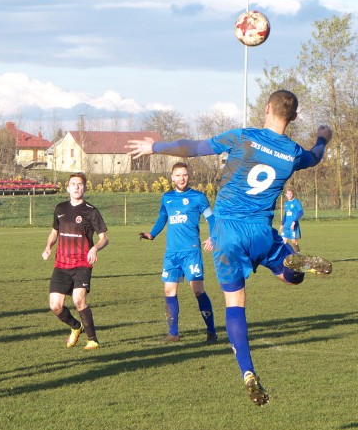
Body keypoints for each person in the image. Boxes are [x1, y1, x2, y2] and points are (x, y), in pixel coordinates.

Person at [126, 89, 333, 406]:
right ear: (292, 117)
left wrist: (154, 146)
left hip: (226, 234)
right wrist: (322, 137)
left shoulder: (243, 137)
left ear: (266, 108)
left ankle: (248, 373)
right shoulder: (292, 152)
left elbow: (193, 148)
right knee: (291, 276)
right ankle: (297, 265)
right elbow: (316, 156)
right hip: (261, 232)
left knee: (235, 304)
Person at [139, 162, 217, 344]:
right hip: (171, 253)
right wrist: (152, 234)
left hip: (191, 251)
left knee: (197, 290)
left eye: (185, 175)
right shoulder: (167, 198)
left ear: (188, 177)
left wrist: (213, 237)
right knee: (169, 291)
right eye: (178, 175)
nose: (182, 178)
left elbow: (212, 219)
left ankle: (211, 331)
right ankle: (173, 333)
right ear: (172, 177)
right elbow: (162, 218)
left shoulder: (198, 197)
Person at [41, 172, 109, 350]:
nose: (77, 187)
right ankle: (76, 327)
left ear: (84, 187)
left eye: (80, 184)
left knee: (79, 300)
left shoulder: (91, 211)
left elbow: (104, 238)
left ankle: (92, 339)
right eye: (73, 184)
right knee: (55, 306)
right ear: (68, 188)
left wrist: (94, 248)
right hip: (61, 264)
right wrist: (48, 246)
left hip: (82, 263)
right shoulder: (60, 208)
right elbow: (55, 232)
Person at [280, 188, 304, 253]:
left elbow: (301, 212)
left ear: (293, 194)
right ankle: (289, 255)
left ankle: (298, 255)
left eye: (291, 194)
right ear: (286, 195)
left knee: (294, 242)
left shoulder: (296, 202)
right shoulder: (286, 203)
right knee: (283, 241)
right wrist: (282, 224)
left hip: (293, 225)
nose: (290, 195)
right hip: (286, 226)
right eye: (288, 194)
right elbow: (286, 214)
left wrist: (294, 221)